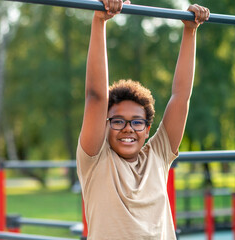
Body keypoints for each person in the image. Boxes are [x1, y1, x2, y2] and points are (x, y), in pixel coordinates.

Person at [76, 0, 210, 239]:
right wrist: (99, 22)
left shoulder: (158, 155)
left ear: (147, 129)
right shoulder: (96, 160)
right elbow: (96, 97)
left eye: (136, 122)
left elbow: (181, 97)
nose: (128, 129)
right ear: (104, 125)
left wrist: (190, 31)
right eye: (117, 121)